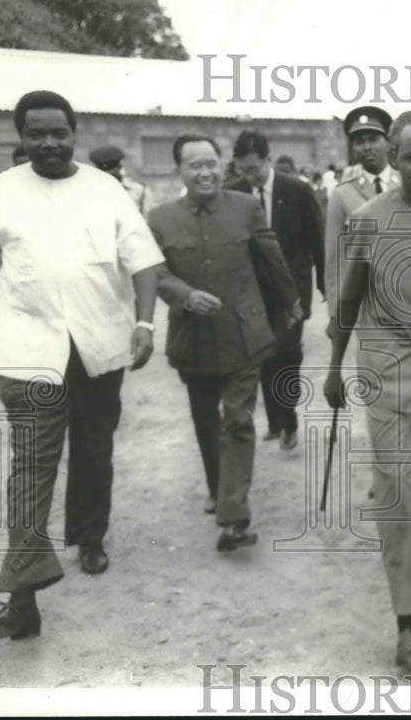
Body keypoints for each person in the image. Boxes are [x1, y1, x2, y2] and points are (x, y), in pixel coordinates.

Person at [0, 90, 163, 640]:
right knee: (30, 470)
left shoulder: (105, 190)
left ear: (74, 134)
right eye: (36, 133)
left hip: (99, 347)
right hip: (29, 355)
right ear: (21, 138)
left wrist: (144, 324)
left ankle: (89, 537)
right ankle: (21, 599)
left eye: (59, 133)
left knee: (95, 451)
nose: (48, 142)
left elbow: (142, 260)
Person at [323, 110, 411, 671]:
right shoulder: (367, 220)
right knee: (396, 482)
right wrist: (334, 369)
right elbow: (348, 304)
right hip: (386, 369)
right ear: (394, 157)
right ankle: (408, 625)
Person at [147, 135, 300, 547]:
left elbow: (272, 259)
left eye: (212, 163)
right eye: (195, 165)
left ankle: (234, 515)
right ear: (179, 170)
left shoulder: (246, 207)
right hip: (192, 339)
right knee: (204, 421)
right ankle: (219, 490)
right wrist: (184, 295)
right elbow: (155, 273)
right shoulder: (160, 218)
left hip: (243, 334)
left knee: (238, 420)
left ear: (222, 166)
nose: (205, 172)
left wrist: (291, 303)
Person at [226, 130, 325, 450]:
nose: (250, 176)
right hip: (253, 290)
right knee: (264, 356)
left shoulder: (296, 190)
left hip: (292, 289)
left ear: (268, 159)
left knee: (287, 353)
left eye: (254, 168)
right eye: (243, 169)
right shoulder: (234, 192)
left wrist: (325, 284)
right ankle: (274, 421)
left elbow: (317, 242)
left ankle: (290, 419)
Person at [324, 106, 398, 316]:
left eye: (373, 139)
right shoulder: (342, 194)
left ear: (388, 142)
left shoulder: (406, 185)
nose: (366, 147)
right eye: (359, 141)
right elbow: (334, 257)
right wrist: (335, 313)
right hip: (364, 303)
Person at [89, 145, 153, 216]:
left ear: (119, 168)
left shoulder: (139, 191)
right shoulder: (87, 193)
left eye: (112, 175)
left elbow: (149, 221)